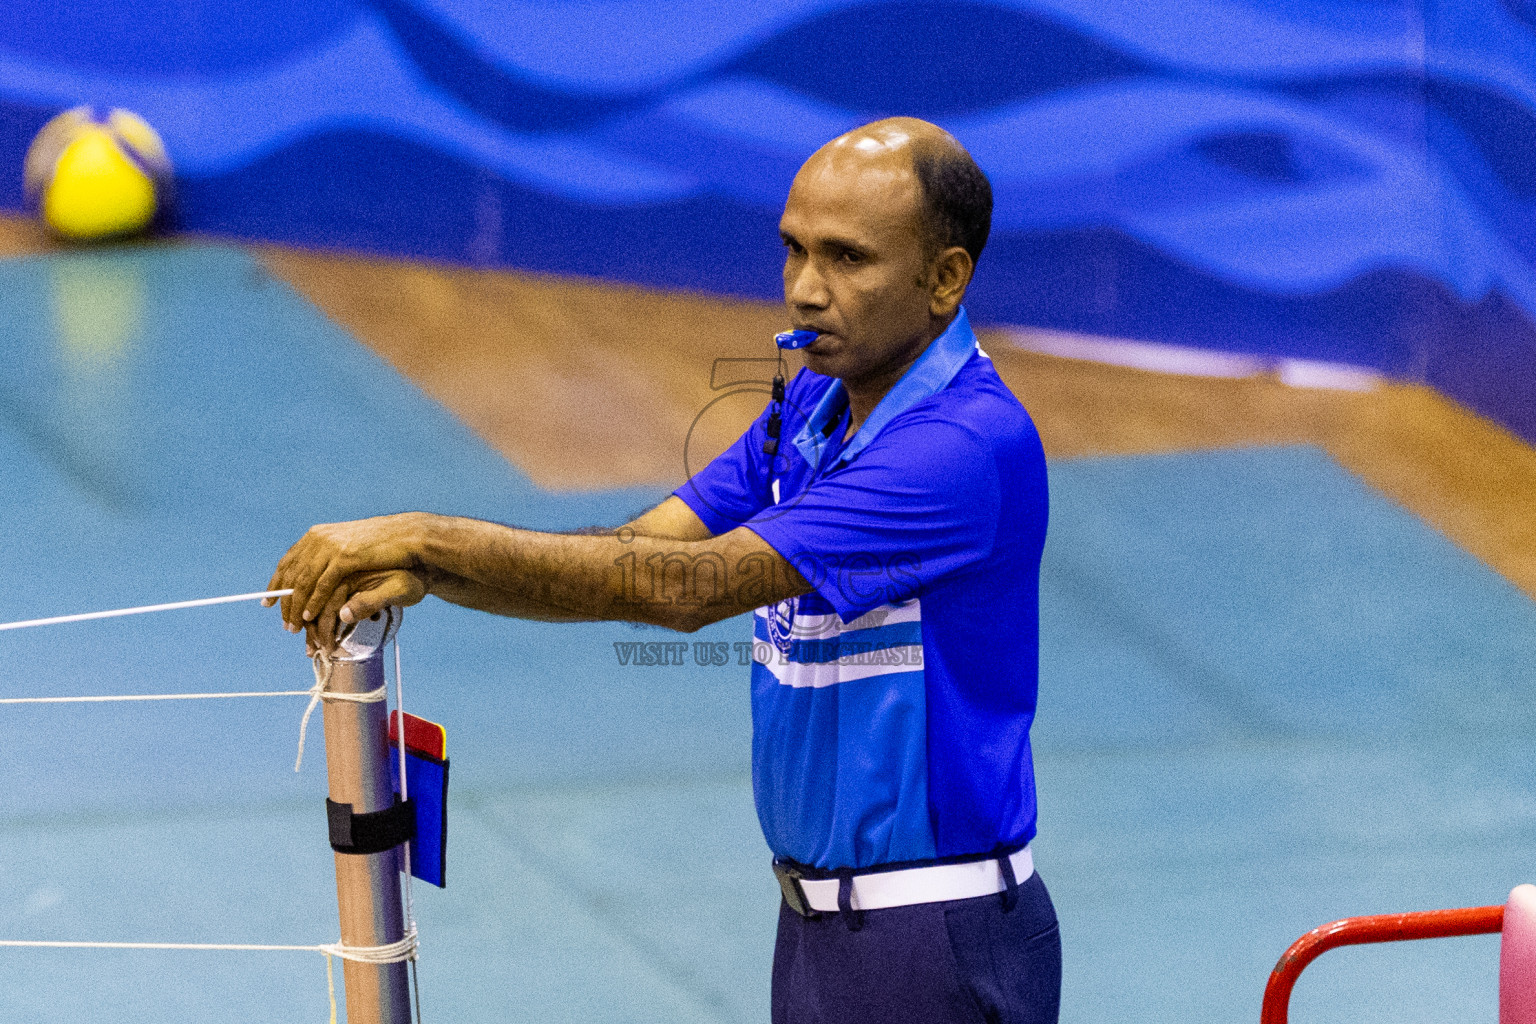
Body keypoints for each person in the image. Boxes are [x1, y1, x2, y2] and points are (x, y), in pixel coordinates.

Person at [267, 116, 1059, 1023]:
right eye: (794, 250)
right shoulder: (815, 404)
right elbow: (651, 547)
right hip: (814, 932)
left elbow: (688, 592)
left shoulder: (958, 450)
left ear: (946, 278)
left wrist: (426, 538)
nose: (805, 290)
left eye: (847, 259)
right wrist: (433, 575)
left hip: (931, 942)